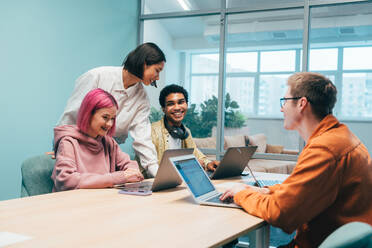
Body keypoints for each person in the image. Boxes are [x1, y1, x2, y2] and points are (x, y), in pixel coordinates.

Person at [221, 72, 372, 248]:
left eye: (284, 101)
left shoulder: (325, 149)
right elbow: (303, 189)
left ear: (301, 103)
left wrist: (241, 194)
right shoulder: (338, 137)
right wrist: (266, 191)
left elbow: (281, 213)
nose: (281, 108)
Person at [56, 42, 166, 178]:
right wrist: (61, 147)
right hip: (78, 152)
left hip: (107, 156)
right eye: (157, 70)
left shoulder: (142, 99)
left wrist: (156, 172)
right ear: (144, 63)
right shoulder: (97, 77)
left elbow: (142, 137)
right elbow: (71, 114)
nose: (158, 77)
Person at [52, 89, 144, 191]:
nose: (110, 124)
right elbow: (66, 180)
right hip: (75, 203)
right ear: (88, 114)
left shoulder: (109, 142)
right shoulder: (68, 142)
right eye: (105, 117)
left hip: (102, 200)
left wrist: (132, 172)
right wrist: (117, 177)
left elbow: (129, 164)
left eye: (113, 118)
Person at [150, 84, 219, 175]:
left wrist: (208, 163)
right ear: (164, 109)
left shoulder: (184, 131)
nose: (177, 107)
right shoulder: (152, 131)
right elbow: (152, 169)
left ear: (186, 104)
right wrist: (189, 166)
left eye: (181, 102)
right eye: (171, 104)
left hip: (177, 184)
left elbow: (196, 153)